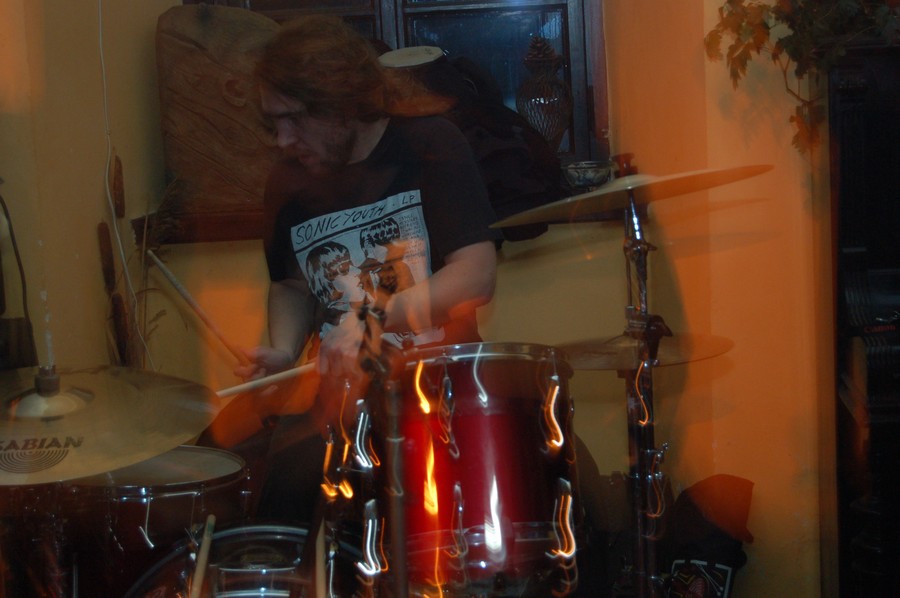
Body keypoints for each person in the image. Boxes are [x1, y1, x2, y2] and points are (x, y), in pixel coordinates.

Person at [214, 15, 502, 526]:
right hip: (336, 403)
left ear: (341, 104)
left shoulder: (430, 144)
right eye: (273, 123)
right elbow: (291, 284)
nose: (282, 139)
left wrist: (371, 318)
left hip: (435, 391)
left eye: (293, 119)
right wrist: (283, 351)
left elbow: (476, 274)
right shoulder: (287, 181)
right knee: (244, 487)